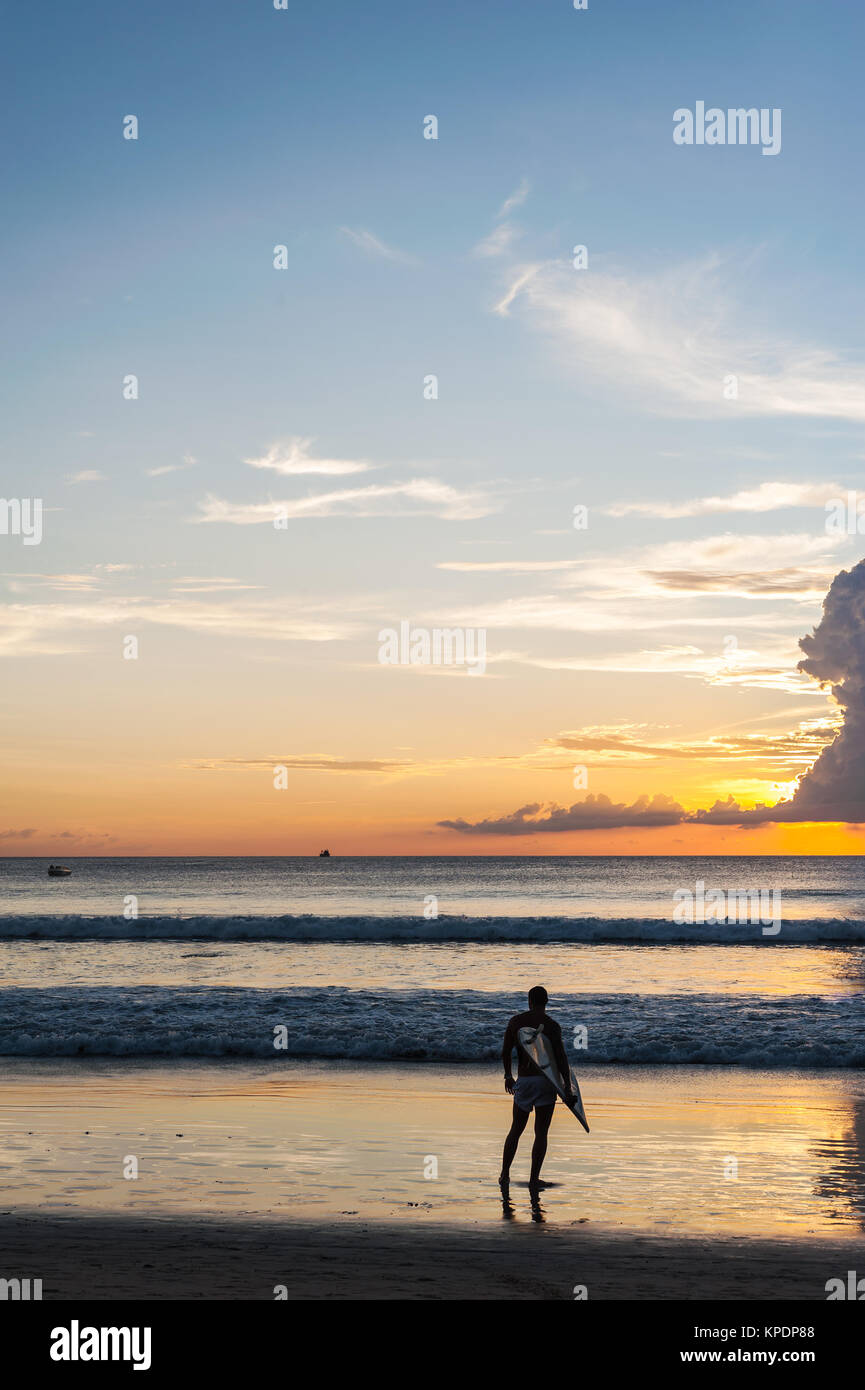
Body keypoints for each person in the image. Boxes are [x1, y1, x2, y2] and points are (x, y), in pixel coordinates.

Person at [499, 985, 574, 1190]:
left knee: (515, 1130)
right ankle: (534, 1179)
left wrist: (508, 1076)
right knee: (541, 1133)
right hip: (546, 1082)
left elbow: (506, 1051)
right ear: (547, 1002)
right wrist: (567, 1085)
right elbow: (560, 1058)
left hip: (524, 1081)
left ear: (529, 1001)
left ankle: (504, 1174)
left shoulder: (516, 1022)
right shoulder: (552, 1026)